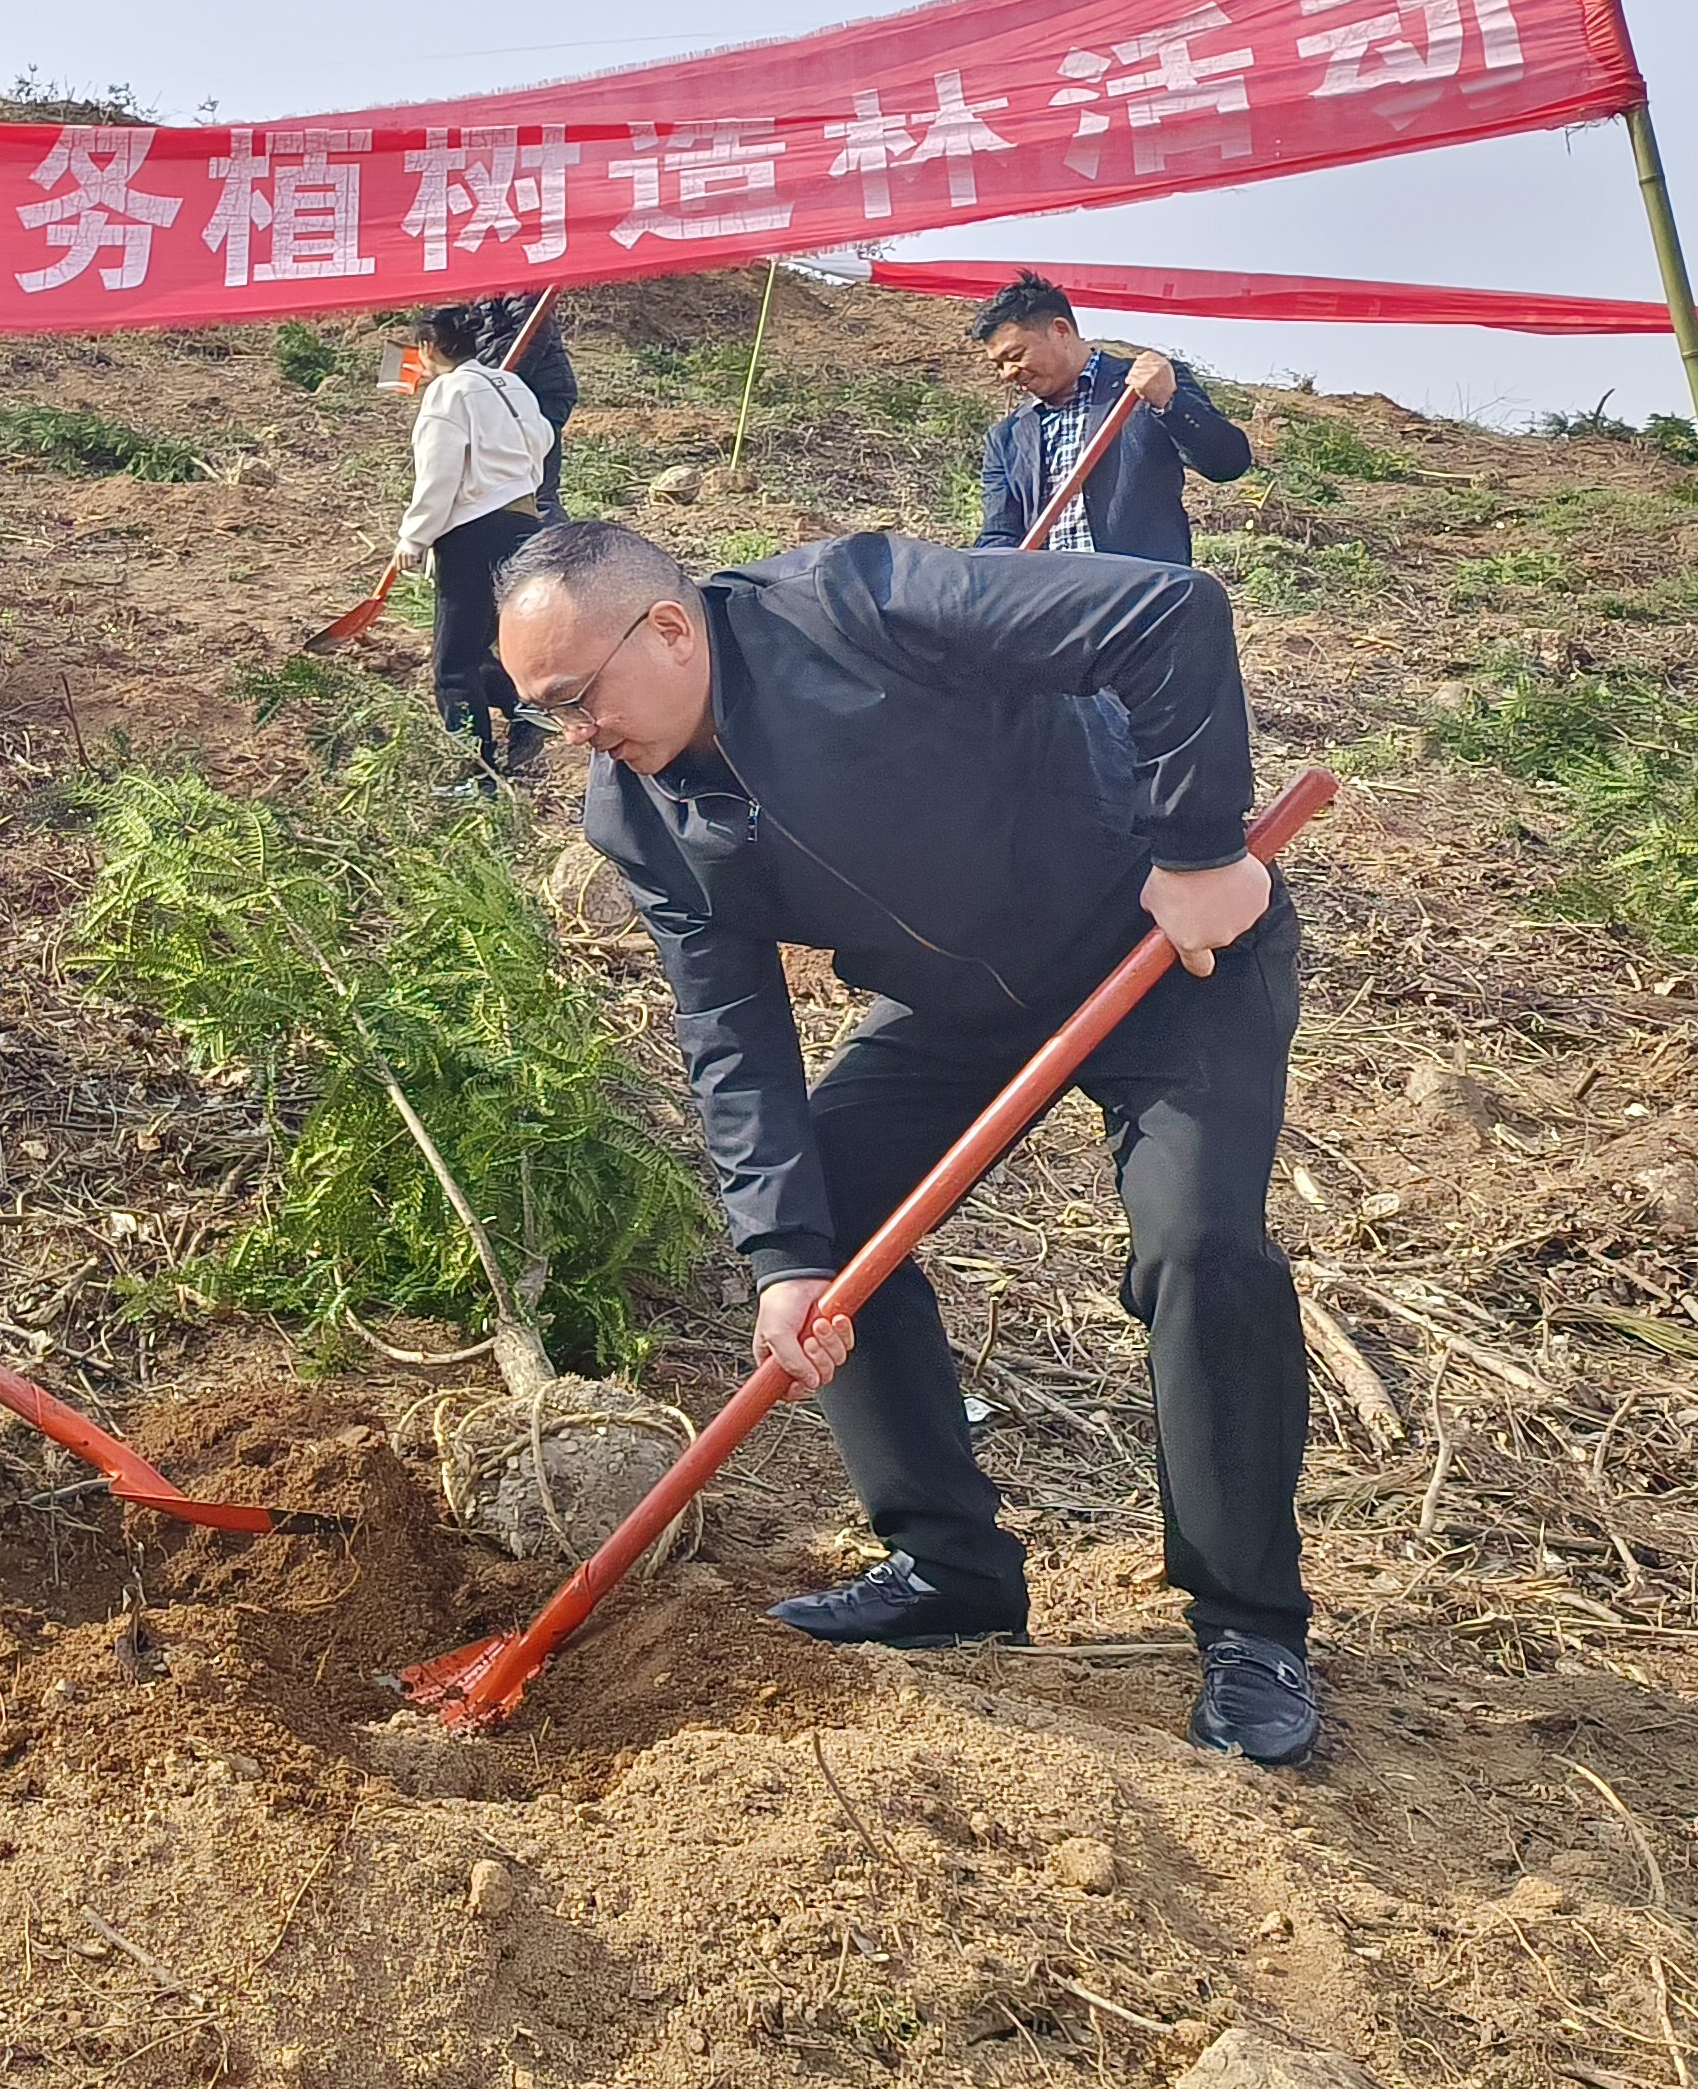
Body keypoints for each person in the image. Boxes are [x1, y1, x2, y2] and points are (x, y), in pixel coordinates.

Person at [493, 517, 1318, 1765]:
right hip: (964, 1002)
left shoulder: (849, 606)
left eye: (576, 697)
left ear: (667, 629)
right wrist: (782, 1258)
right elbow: (733, 1037)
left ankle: (1250, 1627)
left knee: (1199, 1249)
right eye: (549, 714)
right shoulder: (640, 818)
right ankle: (950, 1569)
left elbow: (1166, 613)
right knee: (829, 1216)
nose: (577, 735)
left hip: (1170, 949)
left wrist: (1196, 847)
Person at [971, 271, 1253, 562]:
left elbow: (1228, 463)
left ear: (1060, 330)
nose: (1007, 374)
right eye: (999, 365)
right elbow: (999, 535)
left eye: (1015, 355)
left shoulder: (1145, 387)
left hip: (1140, 595)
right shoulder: (1007, 437)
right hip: (1051, 600)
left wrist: (1169, 401)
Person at [393, 301, 557, 766]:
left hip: (473, 532)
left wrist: (413, 538)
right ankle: (524, 709)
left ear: (427, 347)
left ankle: (473, 771)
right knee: (480, 642)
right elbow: (542, 439)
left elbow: (439, 474)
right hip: (525, 526)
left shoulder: (448, 393)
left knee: (453, 663)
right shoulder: (513, 385)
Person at [461, 291, 579, 513]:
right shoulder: (478, 294)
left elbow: (532, 335)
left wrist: (503, 385)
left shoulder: (519, 287)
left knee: (540, 489)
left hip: (540, 392)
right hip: (510, 393)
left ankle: (552, 543)